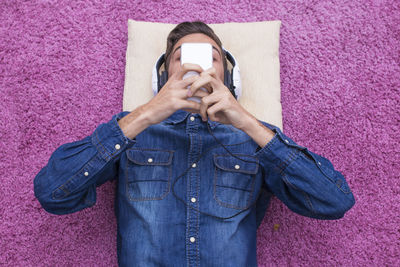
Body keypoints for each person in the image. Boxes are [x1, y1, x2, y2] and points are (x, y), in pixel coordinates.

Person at [34, 21, 356, 267]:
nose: (196, 67)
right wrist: (146, 114)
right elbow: (53, 193)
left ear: (230, 77)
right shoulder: (132, 129)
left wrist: (245, 120)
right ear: (163, 75)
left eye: (211, 58)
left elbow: (334, 201)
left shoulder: (255, 136)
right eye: (181, 58)